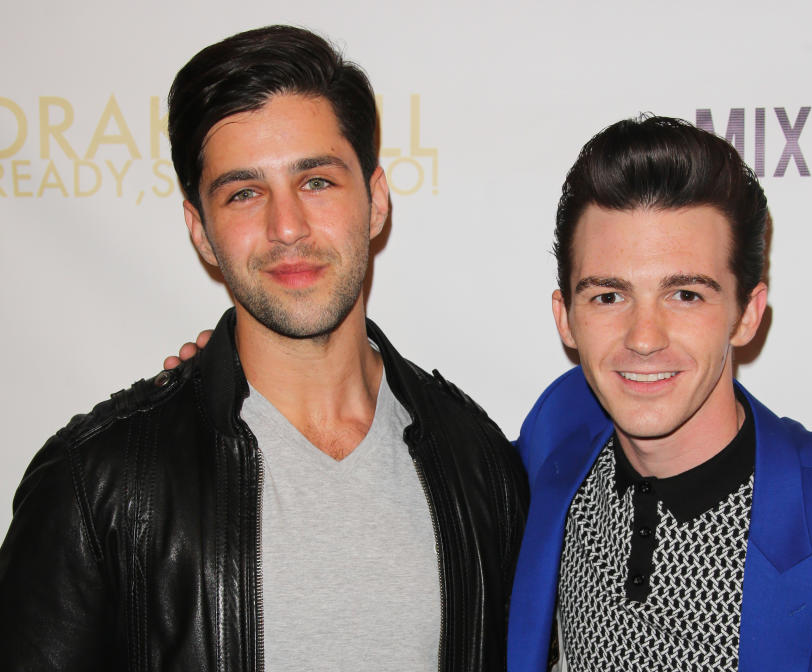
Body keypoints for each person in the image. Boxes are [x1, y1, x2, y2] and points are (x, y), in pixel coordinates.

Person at [0, 25, 527, 671]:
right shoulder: (98, 484)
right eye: (244, 193)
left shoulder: (481, 465)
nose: (287, 228)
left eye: (316, 182)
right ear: (200, 229)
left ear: (377, 200)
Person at [506, 116, 812, 671]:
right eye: (608, 296)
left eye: (686, 295)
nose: (643, 338)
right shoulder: (556, 435)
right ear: (566, 318)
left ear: (747, 314)